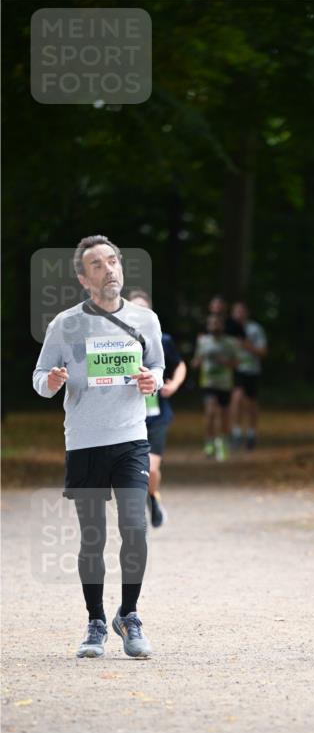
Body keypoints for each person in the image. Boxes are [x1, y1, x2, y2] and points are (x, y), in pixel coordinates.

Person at [32, 235, 165, 659]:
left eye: (113, 261)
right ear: (83, 279)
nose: (109, 269)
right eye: (97, 265)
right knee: (93, 538)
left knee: (135, 529)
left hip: (130, 438)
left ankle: (128, 614)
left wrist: (153, 381)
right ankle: (94, 621)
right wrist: (50, 382)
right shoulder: (64, 325)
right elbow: (39, 378)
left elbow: (158, 366)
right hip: (86, 442)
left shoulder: (146, 320)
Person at [126, 289, 187, 527]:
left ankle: (152, 497)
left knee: (151, 469)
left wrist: (174, 384)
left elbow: (180, 365)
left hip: (157, 415)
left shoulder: (162, 340)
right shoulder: (116, 343)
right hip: (127, 416)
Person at [191, 311, 240, 461]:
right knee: (210, 412)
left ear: (222, 325)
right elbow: (195, 362)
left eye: (217, 323)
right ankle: (209, 443)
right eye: (211, 323)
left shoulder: (230, 343)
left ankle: (222, 443)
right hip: (208, 383)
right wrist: (199, 361)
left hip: (225, 384)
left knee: (224, 415)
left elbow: (237, 363)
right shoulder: (203, 341)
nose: (214, 326)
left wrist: (223, 361)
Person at [229, 301, 268, 450]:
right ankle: (236, 432)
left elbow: (263, 352)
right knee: (237, 397)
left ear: (246, 313)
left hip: (252, 370)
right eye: (236, 312)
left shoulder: (255, 329)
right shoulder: (229, 329)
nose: (238, 315)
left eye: (241, 311)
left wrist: (246, 345)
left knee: (251, 404)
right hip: (235, 369)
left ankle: (252, 433)